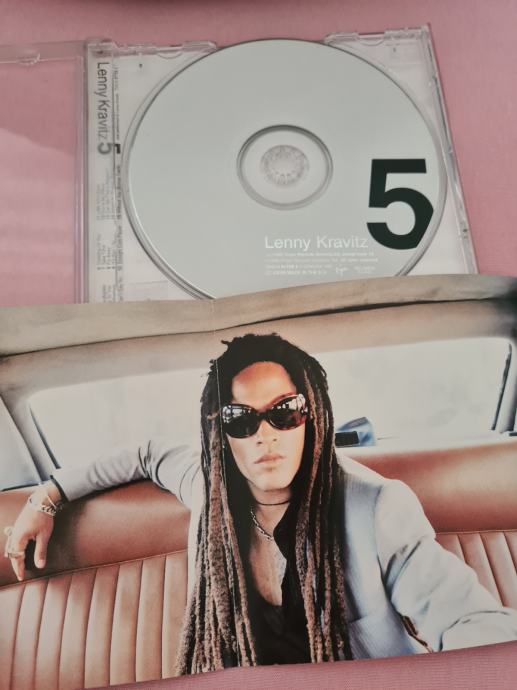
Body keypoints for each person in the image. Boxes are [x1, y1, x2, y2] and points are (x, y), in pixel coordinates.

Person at [4, 333, 517, 675]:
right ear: (221, 432)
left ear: (313, 415)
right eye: (241, 419)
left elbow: (465, 618)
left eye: (284, 412)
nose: (264, 434)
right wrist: (46, 498)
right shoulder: (207, 486)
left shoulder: (376, 507)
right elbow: (144, 453)